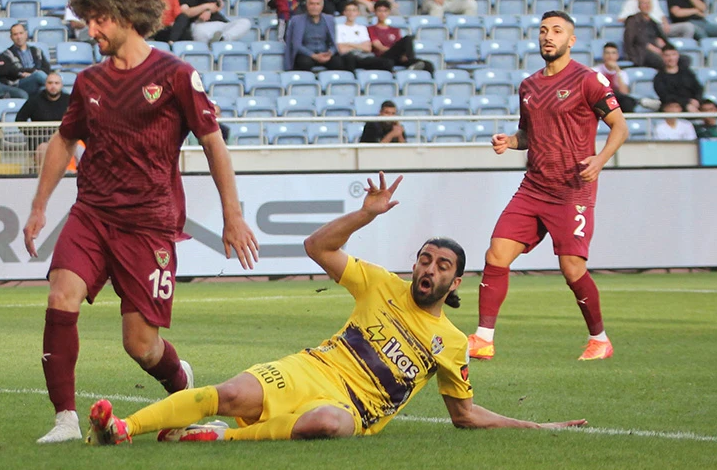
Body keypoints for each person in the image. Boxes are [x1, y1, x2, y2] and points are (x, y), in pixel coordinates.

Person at [84, 174, 586, 445]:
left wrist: (537, 428)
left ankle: (216, 438)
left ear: (456, 281)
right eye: (424, 259)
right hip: (312, 369)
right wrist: (363, 216)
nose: (428, 269)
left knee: (327, 425)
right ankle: (123, 428)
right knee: (230, 391)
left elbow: (465, 415)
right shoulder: (380, 284)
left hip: (352, 409)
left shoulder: (452, 345)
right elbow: (317, 247)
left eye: (441, 265)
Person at [21, 0, 259, 444]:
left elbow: (215, 145)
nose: (91, 30)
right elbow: (63, 143)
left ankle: (181, 389)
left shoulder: (176, 76)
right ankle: (65, 419)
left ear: (127, 15)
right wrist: (39, 207)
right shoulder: (89, 82)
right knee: (60, 296)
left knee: (140, 344)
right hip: (91, 214)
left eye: (99, 19)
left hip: (149, 225)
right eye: (87, 19)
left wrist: (233, 216)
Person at [468, 11, 627, 363]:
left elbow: (620, 127)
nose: (548, 36)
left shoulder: (589, 80)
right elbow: (528, 134)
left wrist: (599, 161)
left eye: (556, 31)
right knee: (496, 254)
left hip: (572, 191)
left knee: (572, 269)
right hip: (533, 187)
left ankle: (599, 340)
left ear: (571, 40)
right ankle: (483, 339)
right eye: (543, 31)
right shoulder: (529, 86)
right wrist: (508, 141)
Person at [177, 0, 251, 44]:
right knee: (198, 30)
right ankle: (211, 47)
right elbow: (187, 13)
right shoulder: (181, 0)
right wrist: (206, 6)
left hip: (221, 24)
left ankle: (222, 39)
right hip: (200, 25)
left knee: (245, 22)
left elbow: (217, 6)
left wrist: (208, 11)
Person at [16, 72, 70, 165]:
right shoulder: (34, 101)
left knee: (78, 148)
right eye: (50, 83)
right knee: (44, 149)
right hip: (40, 141)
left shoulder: (69, 100)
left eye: (56, 83)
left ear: (61, 85)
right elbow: (19, 120)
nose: (53, 86)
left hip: (64, 140)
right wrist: (33, 133)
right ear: (45, 84)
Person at [623, 0, 683, 71]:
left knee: (684, 60)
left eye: (648, 3)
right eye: (644, 3)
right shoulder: (633, 20)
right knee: (664, 62)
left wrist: (666, 47)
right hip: (642, 53)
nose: (646, 6)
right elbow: (630, 39)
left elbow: (662, 38)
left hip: (659, 51)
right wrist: (649, 46)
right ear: (639, 6)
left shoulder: (653, 22)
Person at [369, 0, 430, 73]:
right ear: (375, 12)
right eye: (379, 11)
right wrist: (396, 52)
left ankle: (412, 64)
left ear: (389, 12)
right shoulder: (371, 29)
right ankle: (411, 62)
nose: (382, 14)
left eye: (385, 11)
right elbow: (379, 47)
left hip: (397, 57)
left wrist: (401, 54)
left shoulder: (395, 30)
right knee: (408, 38)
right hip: (383, 57)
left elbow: (400, 44)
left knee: (427, 64)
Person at [285, 0, 343, 71]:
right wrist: (313, 56)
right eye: (311, 4)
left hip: (324, 53)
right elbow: (297, 45)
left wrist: (330, 53)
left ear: (322, 6)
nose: (315, 7)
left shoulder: (329, 19)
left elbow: (334, 41)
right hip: (306, 54)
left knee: (338, 62)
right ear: (307, 5)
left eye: (317, 4)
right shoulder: (297, 20)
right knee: (304, 62)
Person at [594, 42, 656, 112]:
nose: (610, 56)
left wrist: (617, 71)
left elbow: (624, 92)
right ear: (603, 55)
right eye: (607, 53)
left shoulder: (622, 73)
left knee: (627, 102)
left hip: (617, 101)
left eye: (613, 53)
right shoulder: (595, 71)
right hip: (601, 99)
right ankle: (639, 101)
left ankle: (639, 103)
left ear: (617, 56)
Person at [334, 2, 395, 71]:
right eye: (349, 10)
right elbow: (342, 49)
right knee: (349, 57)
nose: (351, 13)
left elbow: (368, 48)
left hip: (363, 57)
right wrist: (360, 45)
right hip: (349, 57)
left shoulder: (362, 28)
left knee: (387, 62)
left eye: (354, 10)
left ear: (358, 13)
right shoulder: (338, 28)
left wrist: (348, 44)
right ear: (344, 13)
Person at [2, 23, 52, 92]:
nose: (19, 37)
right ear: (11, 37)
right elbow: (13, 71)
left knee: (43, 89)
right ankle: (66, 97)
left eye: (21, 33)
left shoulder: (37, 51)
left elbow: (46, 69)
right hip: (20, 84)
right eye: (15, 34)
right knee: (39, 75)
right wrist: (34, 73)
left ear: (26, 34)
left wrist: (31, 73)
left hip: (37, 82)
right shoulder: (7, 54)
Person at [653, 45, 704, 111]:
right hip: (674, 105)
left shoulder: (687, 72)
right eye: (667, 55)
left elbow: (698, 88)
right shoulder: (659, 78)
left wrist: (697, 100)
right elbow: (666, 97)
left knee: (709, 107)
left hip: (694, 103)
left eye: (673, 55)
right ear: (662, 57)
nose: (671, 58)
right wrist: (686, 103)